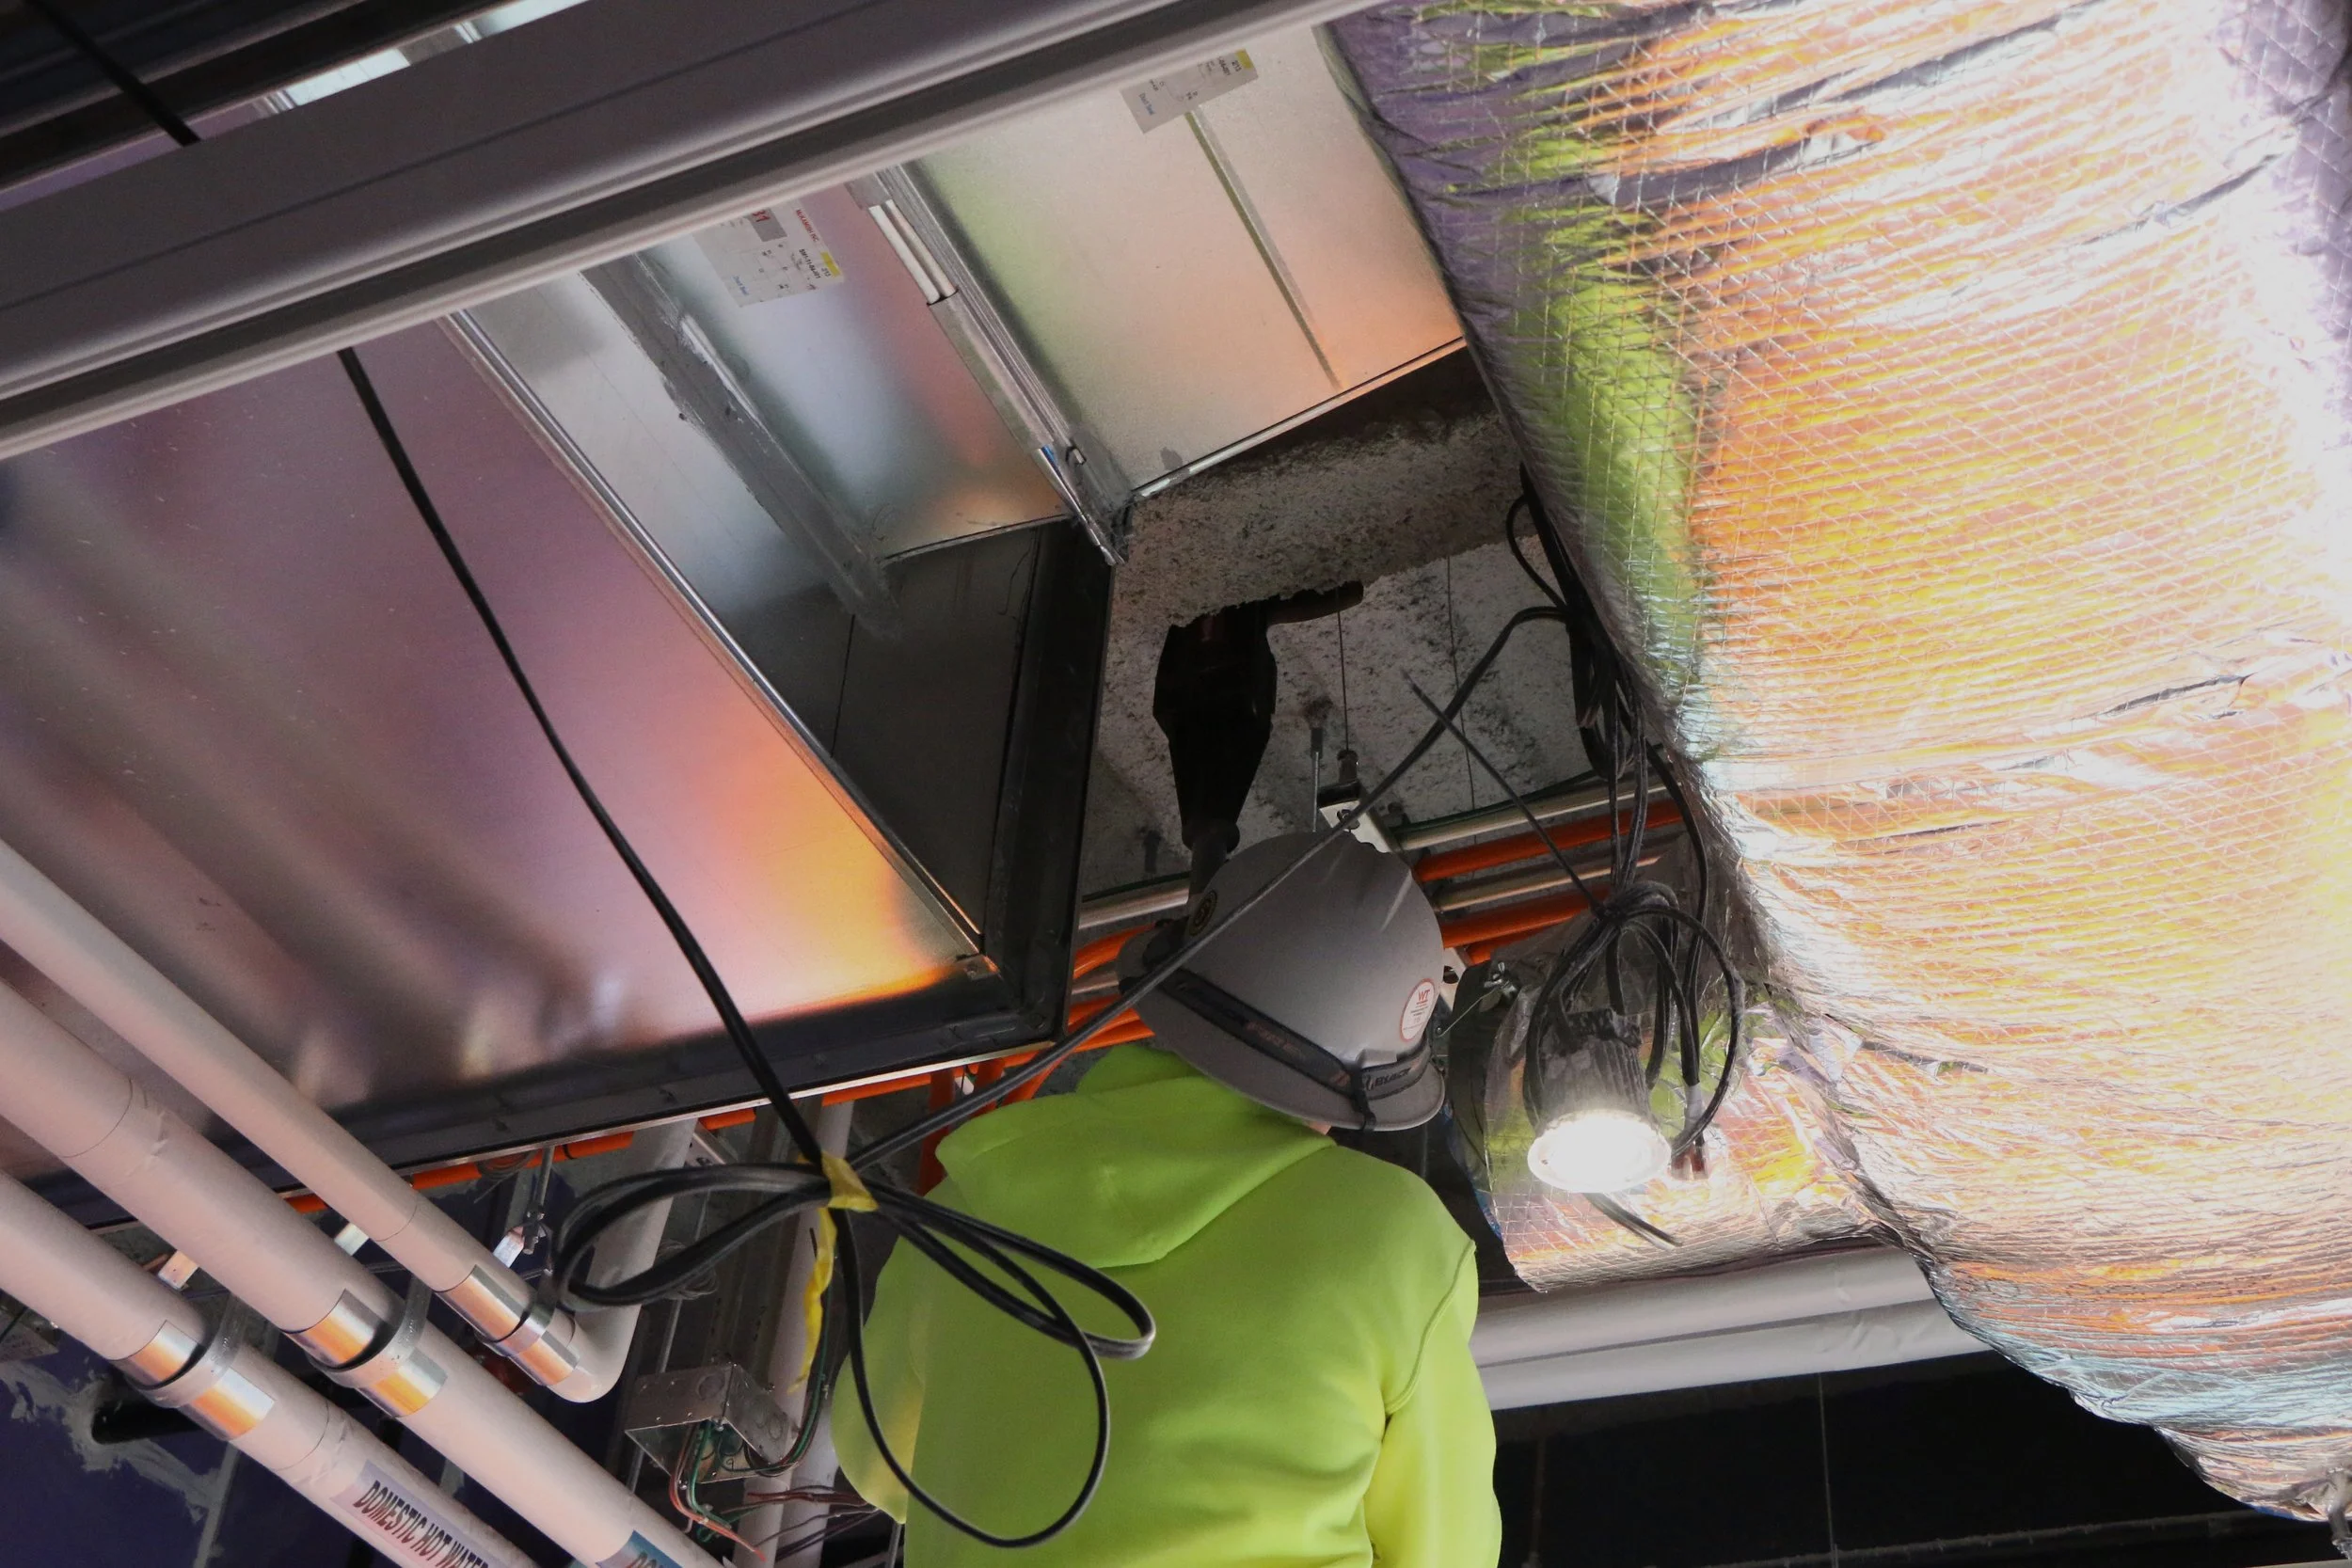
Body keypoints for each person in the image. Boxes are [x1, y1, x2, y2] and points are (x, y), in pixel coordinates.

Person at [835, 831, 1500, 1566]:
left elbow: (877, 1460)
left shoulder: (969, 1202)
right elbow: (1447, 1546)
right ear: (1370, 1081)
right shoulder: (1393, 1240)